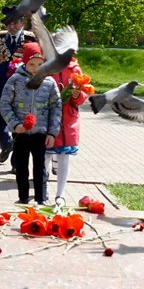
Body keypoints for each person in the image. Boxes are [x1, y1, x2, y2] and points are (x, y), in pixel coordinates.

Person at [0, 43, 61, 205]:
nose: (35, 68)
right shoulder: (15, 80)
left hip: (40, 132)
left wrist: (52, 133)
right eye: (31, 64)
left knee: (40, 167)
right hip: (21, 132)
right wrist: (14, 124)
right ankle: (23, 198)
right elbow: (4, 104)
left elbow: (56, 107)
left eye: (40, 65)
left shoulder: (49, 82)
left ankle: (41, 199)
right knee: (21, 166)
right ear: (24, 63)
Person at [0, 6, 37, 165]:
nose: (12, 27)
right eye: (9, 24)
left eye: (15, 23)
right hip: (2, 84)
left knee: (18, 123)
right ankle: (6, 144)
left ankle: (16, 163)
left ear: (22, 23)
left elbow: (36, 62)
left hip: (23, 86)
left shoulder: (30, 39)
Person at [46, 56, 89, 203]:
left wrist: (77, 95)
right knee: (44, 155)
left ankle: (60, 194)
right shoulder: (48, 65)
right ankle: (43, 190)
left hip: (68, 119)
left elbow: (83, 95)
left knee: (64, 156)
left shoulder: (74, 69)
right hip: (48, 117)